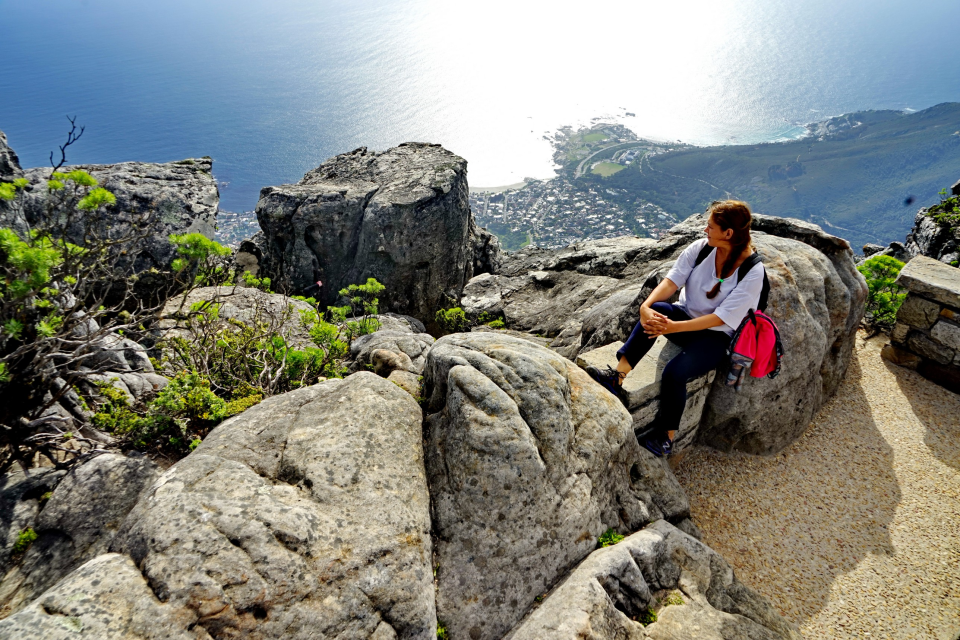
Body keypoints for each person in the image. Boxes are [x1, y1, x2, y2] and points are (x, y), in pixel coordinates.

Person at [585, 200, 765, 457]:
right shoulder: (701, 249)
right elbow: (672, 282)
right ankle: (618, 377)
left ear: (728, 233)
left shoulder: (752, 271)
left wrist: (673, 327)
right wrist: (646, 307)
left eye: (710, 227)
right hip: (685, 318)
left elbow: (720, 318)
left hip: (716, 337)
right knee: (657, 312)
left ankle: (666, 437)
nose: (705, 230)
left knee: (674, 373)